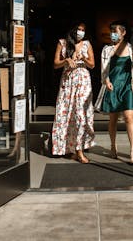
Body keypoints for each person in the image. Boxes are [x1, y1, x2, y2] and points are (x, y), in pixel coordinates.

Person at [95, 21, 133, 164]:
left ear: (123, 33)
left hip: (127, 86)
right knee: (113, 119)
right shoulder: (106, 49)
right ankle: (113, 146)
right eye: (112, 32)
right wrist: (106, 80)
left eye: (116, 31)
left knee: (129, 117)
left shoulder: (130, 48)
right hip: (113, 86)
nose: (113, 34)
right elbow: (104, 69)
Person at [51, 23, 96, 163]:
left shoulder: (86, 44)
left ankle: (79, 149)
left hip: (83, 81)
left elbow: (92, 65)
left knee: (81, 115)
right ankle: (69, 148)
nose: (81, 32)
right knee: (66, 114)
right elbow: (55, 64)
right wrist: (66, 60)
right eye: (79, 29)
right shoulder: (62, 43)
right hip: (68, 82)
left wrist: (83, 58)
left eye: (83, 30)